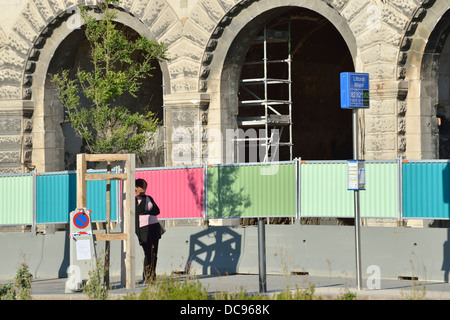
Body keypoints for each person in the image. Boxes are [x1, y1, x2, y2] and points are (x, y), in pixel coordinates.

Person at [135, 178, 161, 284]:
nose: (142, 189)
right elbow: (138, 210)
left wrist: (146, 211)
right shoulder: (135, 199)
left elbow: (157, 210)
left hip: (154, 226)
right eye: (140, 187)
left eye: (143, 187)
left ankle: (153, 275)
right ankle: (146, 275)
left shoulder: (149, 197)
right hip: (143, 228)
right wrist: (146, 207)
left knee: (154, 252)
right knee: (148, 252)